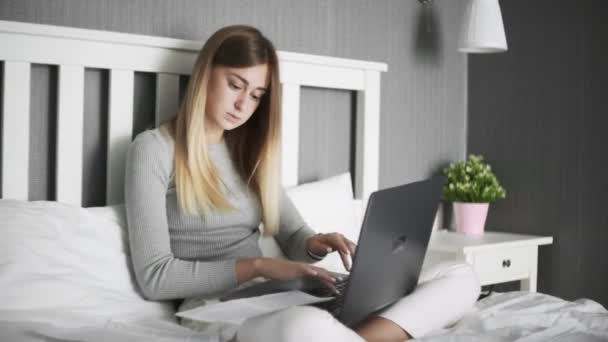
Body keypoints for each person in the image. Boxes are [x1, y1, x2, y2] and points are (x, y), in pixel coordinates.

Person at [125, 25, 480, 342]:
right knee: (302, 327)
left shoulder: (248, 151)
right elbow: (155, 278)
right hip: (216, 309)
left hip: (278, 292)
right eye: (235, 84)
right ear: (205, 74)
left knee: (461, 276)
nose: (242, 104)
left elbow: (294, 238)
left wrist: (316, 244)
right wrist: (260, 266)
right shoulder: (154, 150)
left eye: (255, 95)